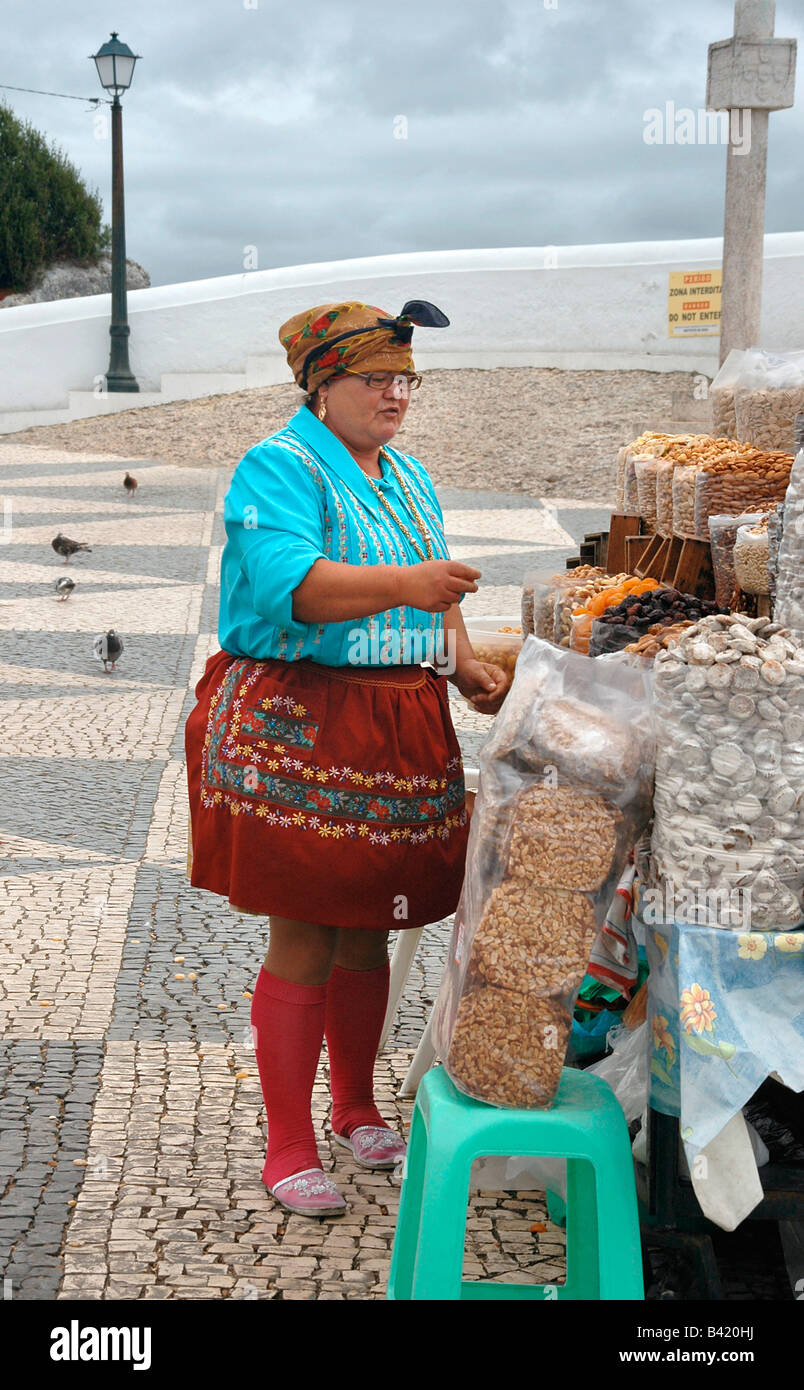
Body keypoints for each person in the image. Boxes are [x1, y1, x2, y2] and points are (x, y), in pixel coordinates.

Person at [184, 298, 508, 1217]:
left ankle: (357, 1103)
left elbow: (434, 595)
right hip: (306, 725)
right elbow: (296, 590)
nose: (395, 396)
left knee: (376, 918)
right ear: (321, 386)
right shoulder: (276, 470)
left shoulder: (408, 474)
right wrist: (406, 585)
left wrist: (464, 666)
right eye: (376, 380)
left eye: (405, 380)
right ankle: (287, 1143)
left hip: (399, 726)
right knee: (309, 928)